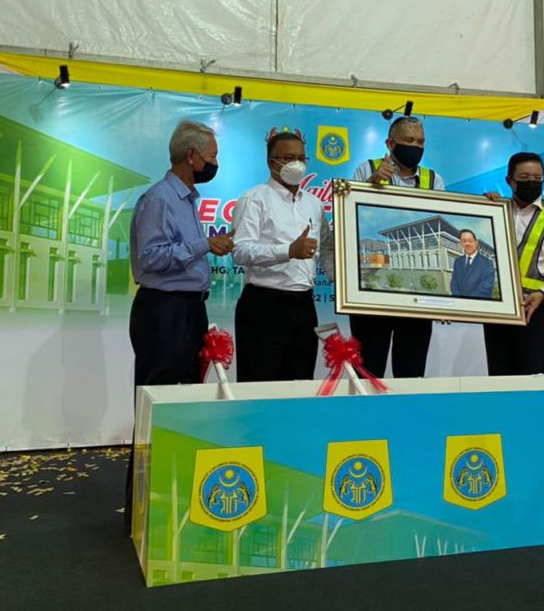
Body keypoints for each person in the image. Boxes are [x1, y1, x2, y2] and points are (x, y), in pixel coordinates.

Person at [125, 119, 234, 530]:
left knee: (185, 404)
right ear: (192, 156)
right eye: (212, 156)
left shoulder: (186, 199)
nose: (215, 163)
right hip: (163, 311)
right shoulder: (159, 198)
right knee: (158, 405)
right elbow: (150, 258)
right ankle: (144, 512)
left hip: (188, 311)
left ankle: (175, 502)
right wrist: (204, 245)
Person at [231, 129, 334, 381]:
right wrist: (288, 251)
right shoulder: (254, 199)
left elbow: (327, 249)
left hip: (304, 307)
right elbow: (240, 250)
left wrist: (346, 283)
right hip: (263, 307)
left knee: (300, 385)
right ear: (271, 163)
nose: (297, 164)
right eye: (288, 158)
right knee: (258, 386)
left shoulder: (314, 203)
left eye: (301, 158)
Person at [349, 115, 445, 378]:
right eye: (408, 140)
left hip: (416, 295)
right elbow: (350, 218)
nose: (415, 146)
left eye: (420, 142)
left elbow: (438, 225)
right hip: (371, 293)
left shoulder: (434, 180)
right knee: (368, 373)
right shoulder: (367, 169)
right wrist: (370, 184)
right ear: (390, 144)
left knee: (411, 374)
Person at [482, 153, 544, 376]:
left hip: (540, 309)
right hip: (499, 309)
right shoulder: (493, 210)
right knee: (500, 377)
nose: (532, 183)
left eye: (538, 178)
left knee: (539, 377)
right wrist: (480, 209)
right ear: (509, 181)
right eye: (525, 178)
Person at [450, 229, 495, 299]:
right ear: (461, 243)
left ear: (476, 243)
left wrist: (467, 300)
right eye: (464, 241)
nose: (467, 244)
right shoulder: (458, 261)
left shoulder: (487, 263)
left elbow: (485, 288)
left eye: (470, 240)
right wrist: (459, 298)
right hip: (460, 302)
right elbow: (454, 283)